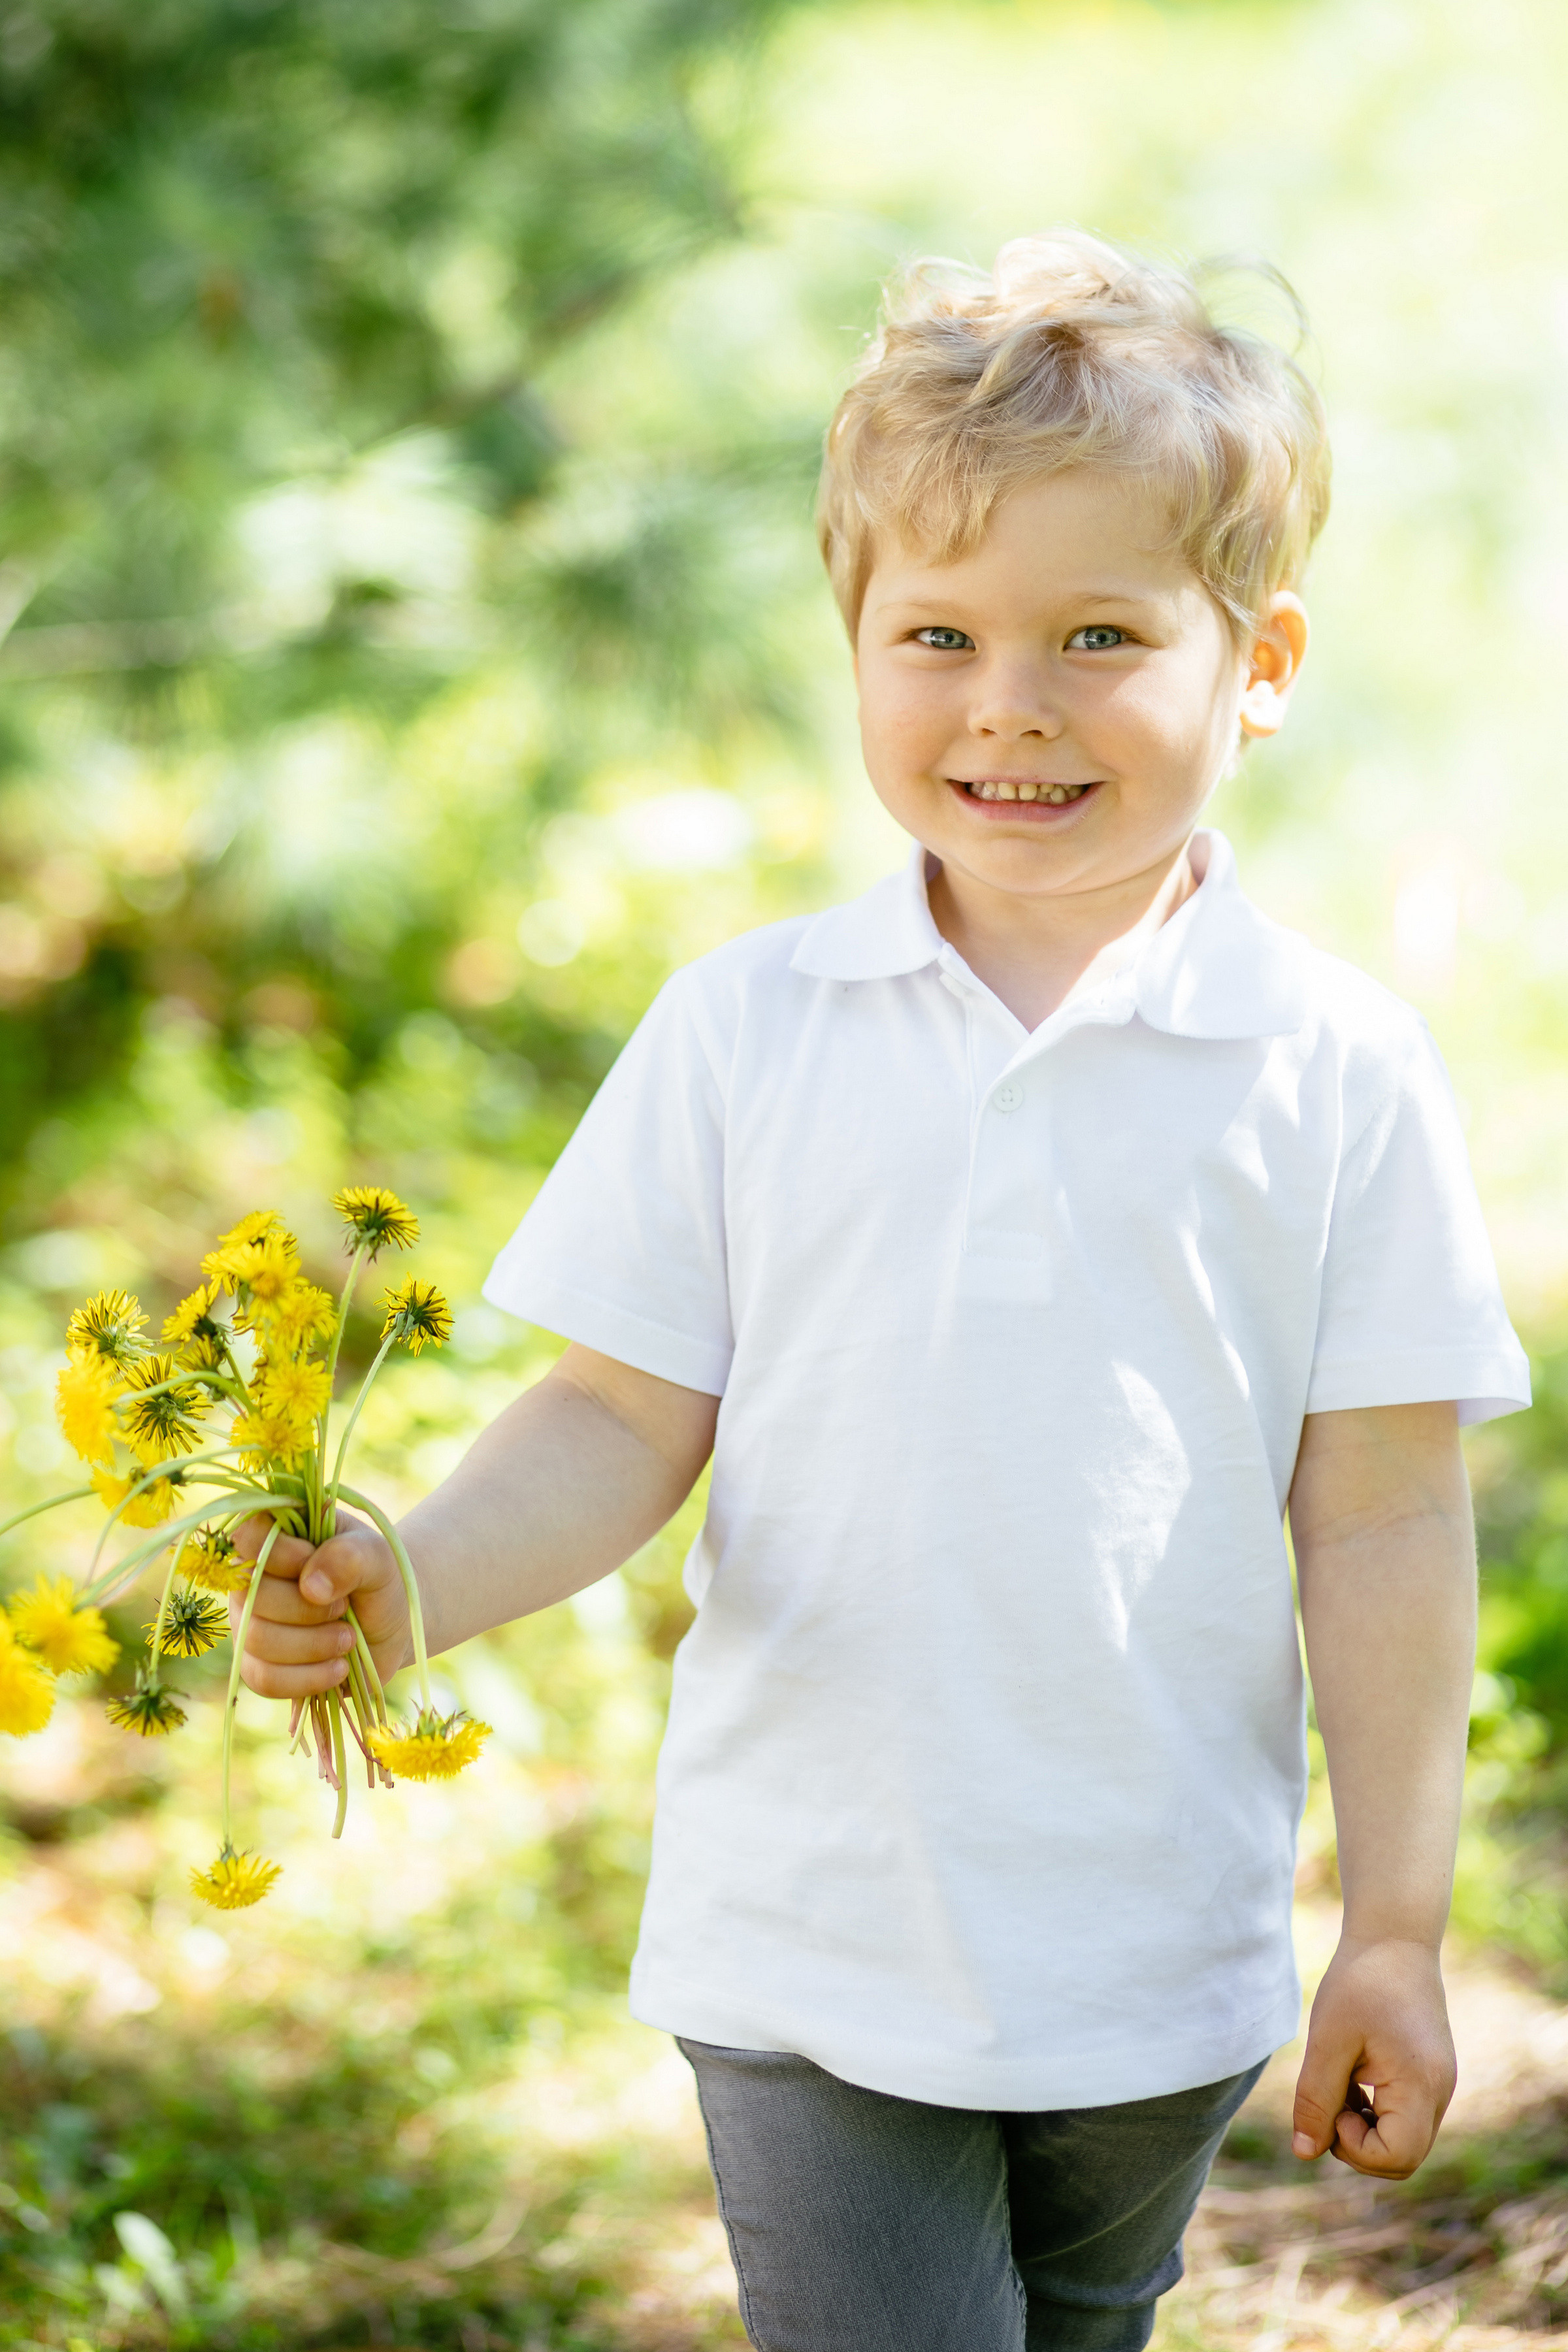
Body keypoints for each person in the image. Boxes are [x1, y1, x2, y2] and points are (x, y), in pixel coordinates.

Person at [235, 231, 1531, 2351]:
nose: (1008, 702)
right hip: (812, 1935)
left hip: (1156, 1957)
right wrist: (418, 1576)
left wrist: (1390, 1926)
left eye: (1100, 633)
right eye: (938, 633)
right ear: (854, 644)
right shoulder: (754, 1029)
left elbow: (1381, 1512)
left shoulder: (1332, 1067)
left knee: (1082, 2323)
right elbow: (618, 1413)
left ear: (1262, 662)